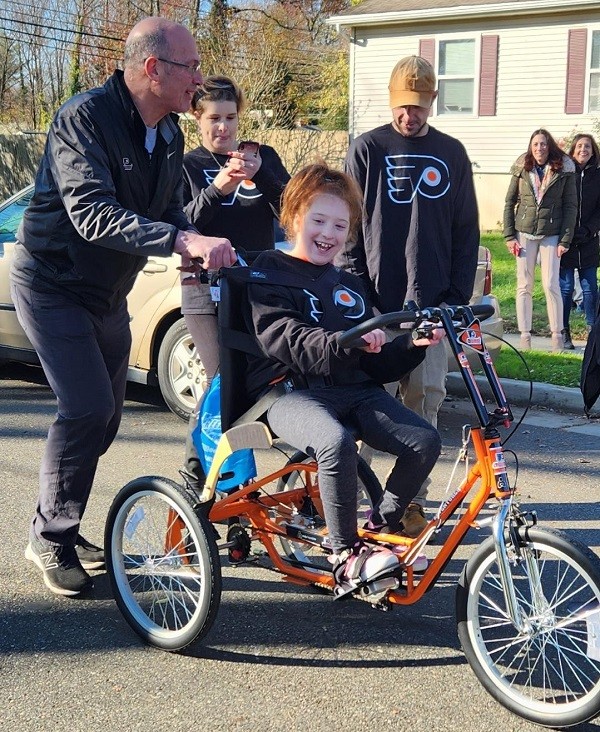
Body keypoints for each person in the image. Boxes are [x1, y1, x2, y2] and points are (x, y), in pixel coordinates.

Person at [9, 17, 236, 597]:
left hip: (108, 295)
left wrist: (190, 241)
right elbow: (92, 214)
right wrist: (182, 242)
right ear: (153, 68)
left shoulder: (170, 136)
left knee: (107, 414)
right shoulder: (83, 119)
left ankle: (57, 522)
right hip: (52, 284)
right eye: (191, 67)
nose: (200, 79)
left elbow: (171, 211)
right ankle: (51, 537)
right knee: (85, 408)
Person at [246, 163, 443, 598]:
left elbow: (375, 366)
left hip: (355, 391)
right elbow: (281, 335)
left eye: (340, 225)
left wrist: (411, 345)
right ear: (295, 217)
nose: (328, 233)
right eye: (318, 220)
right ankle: (345, 553)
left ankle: (379, 526)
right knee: (333, 442)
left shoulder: (351, 285)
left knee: (425, 440)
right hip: (291, 393)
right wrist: (343, 340)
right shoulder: (269, 269)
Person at [339, 55, 479, 538]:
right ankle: (342, 500)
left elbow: (466, 231)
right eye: (403, 106)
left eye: (418, 107)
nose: (409, 116)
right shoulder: (367, 149)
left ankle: (411, 504)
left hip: (431, 306)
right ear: (392, 101)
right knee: (360, 406)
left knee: (423, 404)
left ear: (431, 103)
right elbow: (348, 228)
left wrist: (455, 298)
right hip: (374, 304)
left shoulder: (452, 153)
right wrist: (357, 295)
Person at [179, 75, 290, 493]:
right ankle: (197, 476)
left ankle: (233, 476)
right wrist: (217, 187)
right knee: (221, 381)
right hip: (203, 288)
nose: (222, 128)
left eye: (230, 118)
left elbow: (294, 212)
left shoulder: (264, 157)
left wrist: (261, 177)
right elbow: (182, 225)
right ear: (197, 118)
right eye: (213, 119)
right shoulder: (187, 165)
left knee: (262, 382)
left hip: (256, 287)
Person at [503, 128, 577, 351]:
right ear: (530, 147)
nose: (539, 148)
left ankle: (557, 336)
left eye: (543, 144)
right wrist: (509, 236)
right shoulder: (522, 168)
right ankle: (524, 337)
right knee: (524, 285)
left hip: (552, 234)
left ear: (549, 146)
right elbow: (509, 202)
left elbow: (571, 206)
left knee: (550, 284)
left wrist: (565, 240)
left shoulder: (563, 170)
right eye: (535, 144)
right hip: (523, 234)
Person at [559, 134, 600, 348]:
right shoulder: (565, 173)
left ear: (593, 151)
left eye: (588, 147)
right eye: (580, 146)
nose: (583, 149)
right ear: (573, 150)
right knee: (565, 288)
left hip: (589, 239)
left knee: (590, 287)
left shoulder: (598, 175)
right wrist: (567, 231)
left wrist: (590, 229)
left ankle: (594, 332)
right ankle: (563, 331)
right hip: (566, 239)